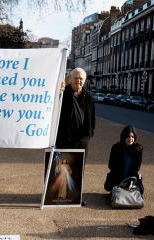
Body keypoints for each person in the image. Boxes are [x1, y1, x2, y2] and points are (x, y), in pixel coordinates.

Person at [56, 68, 96, 205]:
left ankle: (76, 196)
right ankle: (59, 195)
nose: (78, 81)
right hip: (64, 139)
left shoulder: (88, 97)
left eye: (81, 79)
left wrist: (89, 135)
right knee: (62, 168)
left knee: (79, 169)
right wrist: (58, 92)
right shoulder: (63, 93)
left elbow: (92, 118)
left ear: (84, 81)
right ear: (70, 79)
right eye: (76, 78)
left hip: (82, 141)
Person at [104, 125, 144, 194]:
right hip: (117, 177)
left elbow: (135, 169)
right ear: (123, 136)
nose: (130, 139)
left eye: (132, 137)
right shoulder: (116, 147)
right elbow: (111, 166)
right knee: (116, 191)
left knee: (137, 192)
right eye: (128, 136)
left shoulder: (138, 149)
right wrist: (121, 182)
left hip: (131, 178)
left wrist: (129, 182)